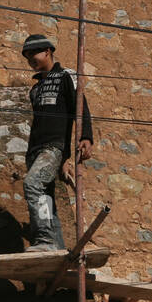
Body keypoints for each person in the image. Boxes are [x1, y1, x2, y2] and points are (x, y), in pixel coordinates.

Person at [20, 33, 93, 251]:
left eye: (34, 53)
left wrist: (86, 137)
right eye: (27, 56)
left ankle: (45, 240)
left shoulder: (65, 76)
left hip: (53, 148)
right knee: (45, 199)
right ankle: (57, 247)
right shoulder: (35, 89)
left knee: (32, 184)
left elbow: (80, 107)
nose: (30, 58)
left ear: (48, 52)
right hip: (35, 151)